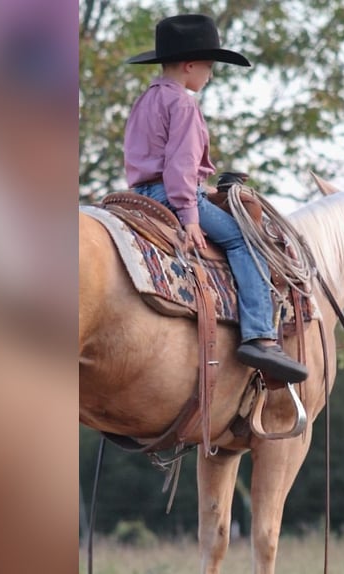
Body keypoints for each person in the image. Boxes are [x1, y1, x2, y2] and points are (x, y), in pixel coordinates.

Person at [124, 14, 308, 383]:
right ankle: (259, 336)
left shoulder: (146, 99)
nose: (209, 75)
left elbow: (151, 159)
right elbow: (179, 166)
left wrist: (202, 189)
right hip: (172, 195)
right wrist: (190, 216)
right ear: (190, 65)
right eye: (208, 67)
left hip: (138, 193)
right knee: (247, 242)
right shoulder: (184, 105)